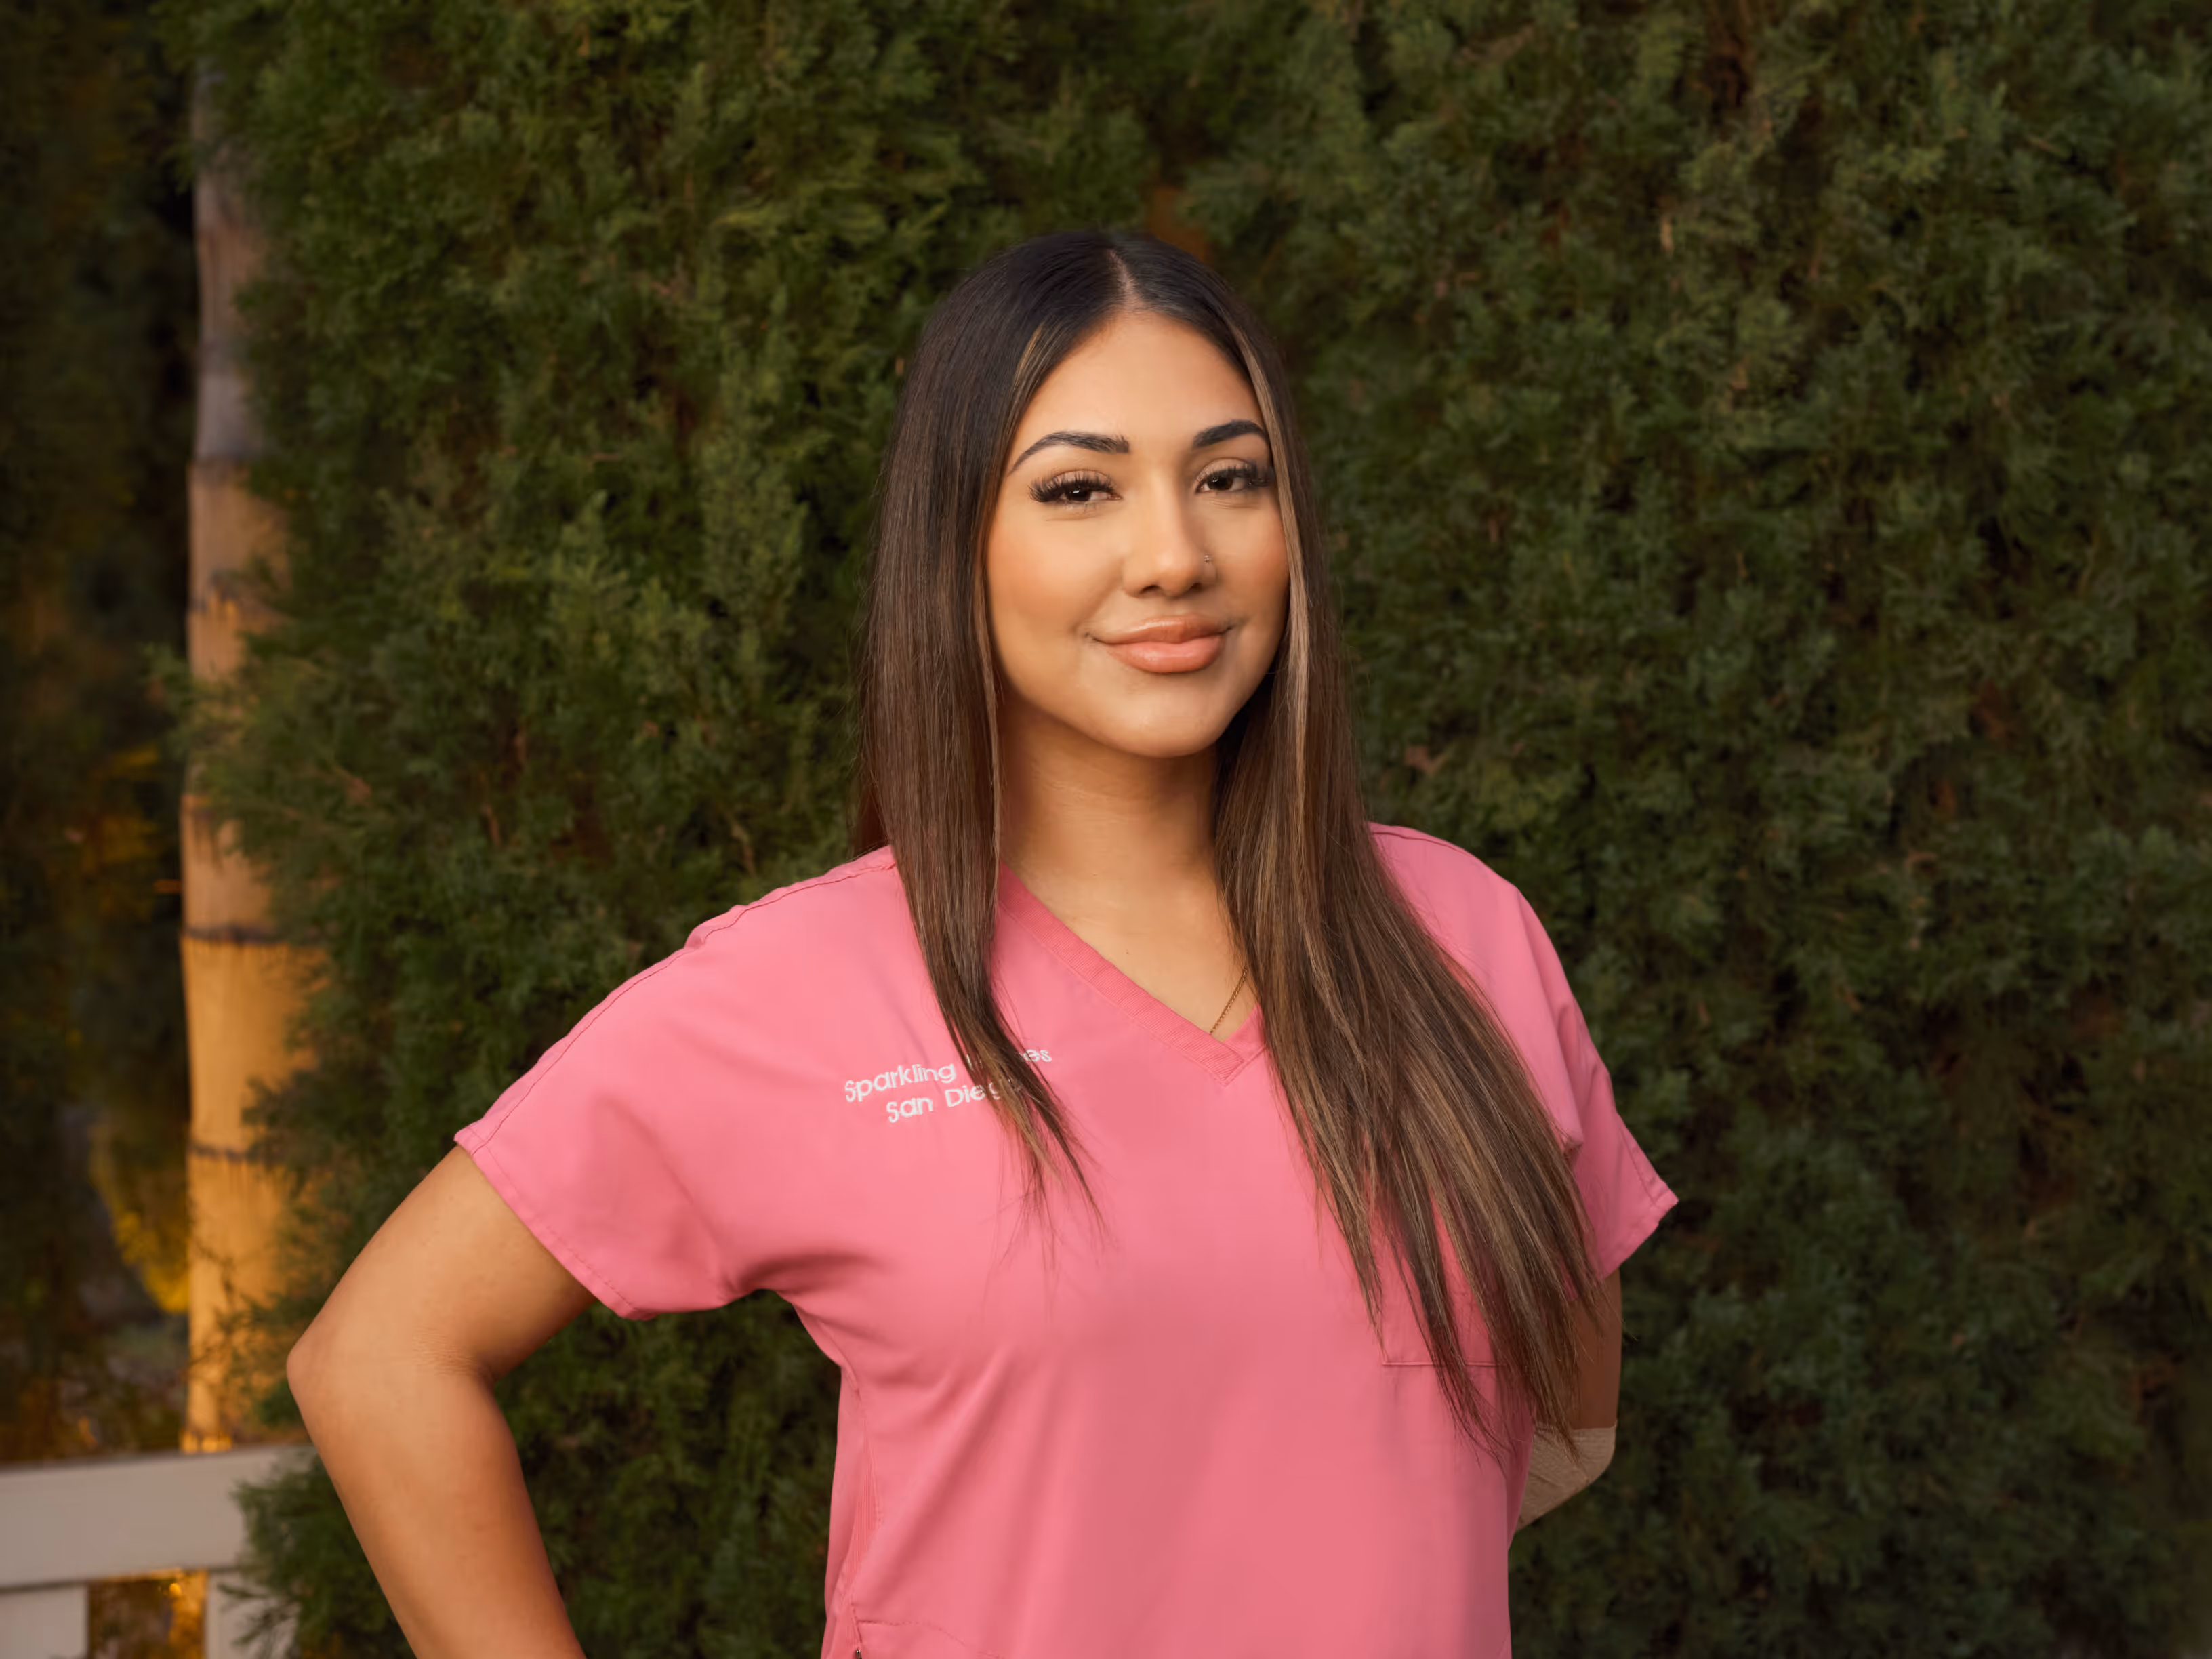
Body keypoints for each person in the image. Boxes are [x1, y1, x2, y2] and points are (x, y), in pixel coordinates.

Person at [286, 228, 1678, 1658]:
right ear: (957, 546)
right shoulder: (800, 990)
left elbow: (1557, 1427)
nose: (1173, 555)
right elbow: (380, 1358)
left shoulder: (1467, 936)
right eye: (1079, 488)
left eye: (1229, 477)